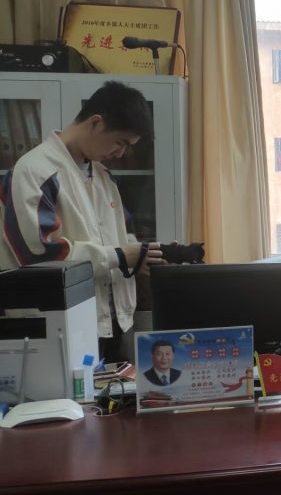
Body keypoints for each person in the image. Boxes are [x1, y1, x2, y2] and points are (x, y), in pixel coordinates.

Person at [0, 81, 165, 363]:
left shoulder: (102, 176)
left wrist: (144, 257)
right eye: (120, 142)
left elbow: (123, 233)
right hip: (59, 326)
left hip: (111, 322)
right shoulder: (35, 172)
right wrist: (119, 256)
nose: (120, 154)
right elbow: (40, 256)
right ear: (96, 123)